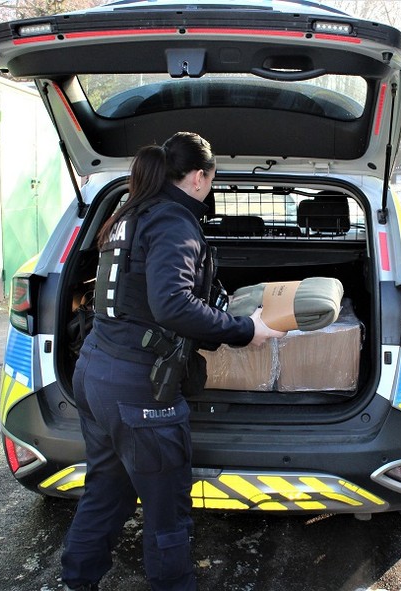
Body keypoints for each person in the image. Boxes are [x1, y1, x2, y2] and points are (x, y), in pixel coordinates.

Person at [61, 132, 285, 591]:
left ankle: (75, 583)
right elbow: (172, 304)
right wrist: (246, 330)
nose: (212, 188)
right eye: (213, 179)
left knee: (105, 492)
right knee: (167, 515)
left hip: (95, 372)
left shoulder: (131, 212)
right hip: (138, 391)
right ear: (200, 177)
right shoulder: (173, 222)